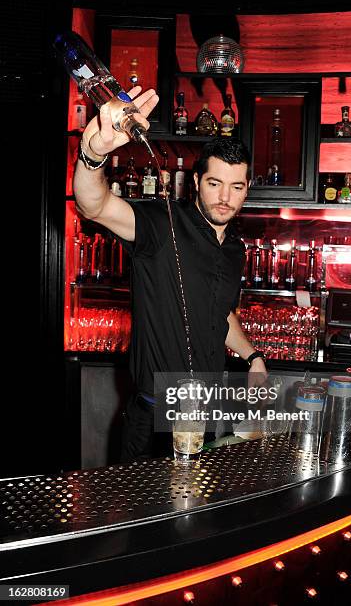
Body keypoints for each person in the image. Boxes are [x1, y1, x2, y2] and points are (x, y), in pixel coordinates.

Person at [74, 85, 268, 461]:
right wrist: (94, 152)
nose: (224, 197)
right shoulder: (162, 226)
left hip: (208, 412)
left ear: (247, 190)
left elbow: (220, 315)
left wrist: (253, 356)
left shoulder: (234, 250)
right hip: (154, 419)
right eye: (214, 184)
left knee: (203, 517)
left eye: (236, 187)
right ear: (197, 182)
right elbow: (94, 205)